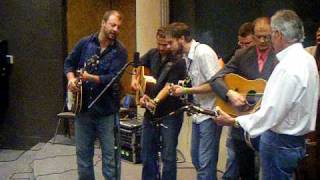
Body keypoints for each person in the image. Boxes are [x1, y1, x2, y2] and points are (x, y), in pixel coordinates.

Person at [215, 9, 319, 179]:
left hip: (279, 143)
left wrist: (234, 121)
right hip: (296, 141)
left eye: (270, 35)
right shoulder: (307, 59)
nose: (267, 40)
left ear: (278, 34)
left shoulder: (288, 67)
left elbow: (271, 114)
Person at [170, 17, 277, 180]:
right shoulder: (242, 54)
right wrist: (229, 94)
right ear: (253, 35)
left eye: (266, 36)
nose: (262, 41)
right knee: (244, 170)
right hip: (241, 121)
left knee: (267, 172)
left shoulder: (281, 57)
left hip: (268, 123)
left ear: (274, 34)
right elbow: (215, 78)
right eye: (258, 36)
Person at [64, 10, 127, 180]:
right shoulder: (85, 43)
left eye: (118, 27)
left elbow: (114, 78)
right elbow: (69, 63)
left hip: (106, 111)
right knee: (83, 157)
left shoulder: (120, 51)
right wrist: (71, 80)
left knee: (110, 158)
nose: (116, 29)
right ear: (103, 23)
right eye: (113, 25)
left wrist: (91, 77)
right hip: (83, 109)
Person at [165, 22, 222, 180]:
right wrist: (183, 87)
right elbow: (198, 81)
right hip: (199, 113)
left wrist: (186, 91)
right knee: (197, 159)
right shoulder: (187, 57)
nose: (168, 46)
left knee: (205, 164)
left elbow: (215, 84)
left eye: (171, 42)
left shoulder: (203, 52)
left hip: (210, 114)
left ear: (181, 39)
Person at [131, 27, 186, 180]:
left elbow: (169, 86)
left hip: (170, 113)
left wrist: (154, 101)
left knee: (168, 156)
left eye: (166, 44)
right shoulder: (152, 53)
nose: (162, 48)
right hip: (151, 113)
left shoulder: (178, 61)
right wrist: (135, 81)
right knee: (147, 152)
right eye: (159, 44)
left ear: (171, 42)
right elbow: (138, 66)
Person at [222, 21, 254, 180]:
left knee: (256, 163)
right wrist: (230, 92)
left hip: (256, 115)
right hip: (237, 113)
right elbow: (220, 70)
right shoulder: (238, 53)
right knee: (233, 153)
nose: (242, 46)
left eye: (246, 43)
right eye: (239, 43)